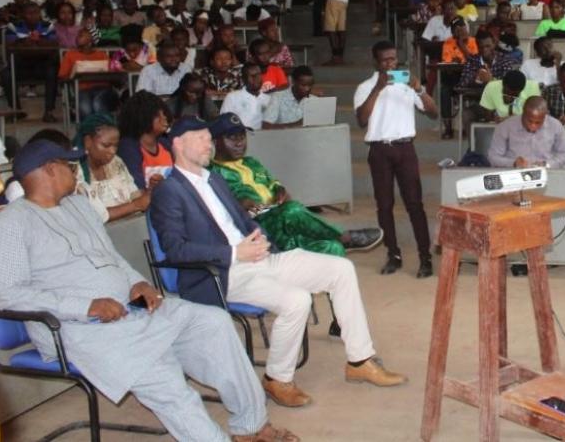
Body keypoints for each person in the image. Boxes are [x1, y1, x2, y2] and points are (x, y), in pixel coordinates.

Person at [0, 139, 297, 442]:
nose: (75, 170)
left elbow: (113, 259)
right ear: (49, 169)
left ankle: (251, 426)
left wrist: (138, 281)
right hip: (78, 328)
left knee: (214, 323)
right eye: (68, 165)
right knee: (165, 379)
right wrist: (85, 306)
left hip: (130, 308)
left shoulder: (79, 206)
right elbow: (9, 294)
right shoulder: (10, 223)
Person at [151, 117, 406, 409]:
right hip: (221, 274)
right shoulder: (169, 191)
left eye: (210, 137)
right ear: (178, 144)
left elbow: (243, 220)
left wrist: (260, 236)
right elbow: (175, 250)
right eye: (201, 138)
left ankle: (360, 360)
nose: (209, 143)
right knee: (297, 300)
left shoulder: (215, 179)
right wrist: (235, 253)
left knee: (341, 269)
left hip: (260, 258)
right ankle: (277, 380)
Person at [209, 112, 382, 259]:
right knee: (293, 210)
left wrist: (280, 190)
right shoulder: (212, 172)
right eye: (231, 138)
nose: (239, 142)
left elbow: (272, 182)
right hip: (257, 226)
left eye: (242, 136)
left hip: (279, 219)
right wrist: (244, 204)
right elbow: (225, 207)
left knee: (332, 248)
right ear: (215, 142)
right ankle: (345, 237)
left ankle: (321, 293)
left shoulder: (251, 162)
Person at [354, 41, 437, 278]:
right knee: (385, 205)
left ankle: (425, 257)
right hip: (379, 151)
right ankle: (393, 254)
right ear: (376, 62)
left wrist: (419, 89)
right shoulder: (365, 87)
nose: (391, 64)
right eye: (385, 60)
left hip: (405, 149)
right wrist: (378, 89)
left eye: (394, 59)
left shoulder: (406, 83)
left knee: (415, 203)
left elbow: (433, 112)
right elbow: (361, 119)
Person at [75, 113, 152, 223]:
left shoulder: (116, 162)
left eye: (116, 145)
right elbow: (93, 216)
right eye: (106, 145)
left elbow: (133, 193)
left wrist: (148, 194)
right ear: (88, 141)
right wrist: (136, 205)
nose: (112, 151)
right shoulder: (74, 171)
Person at [486, 96, 565, 169]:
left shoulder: (555, 125)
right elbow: (493, 157)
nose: (533, 126)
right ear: (523, 113)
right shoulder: (505, 127)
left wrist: (548, 164)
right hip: (514, 174)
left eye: (538, 122)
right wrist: (513, 163)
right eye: (529, 121)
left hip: (547, 174)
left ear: (545, 116)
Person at [117, 91, 173, 190]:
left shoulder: (165, 144)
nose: (164, 118)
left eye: (164, 114)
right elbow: (135, 188)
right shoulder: (128, 147)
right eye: (158, 115)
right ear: (143, 117)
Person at [221, 63, 274, 131]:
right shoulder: (232, 97)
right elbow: (224, 122)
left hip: (263, 138)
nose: (257, 78)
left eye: (259, 75)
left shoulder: (269, 99)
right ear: (244, 79)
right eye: (253, 76)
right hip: (240, 138)